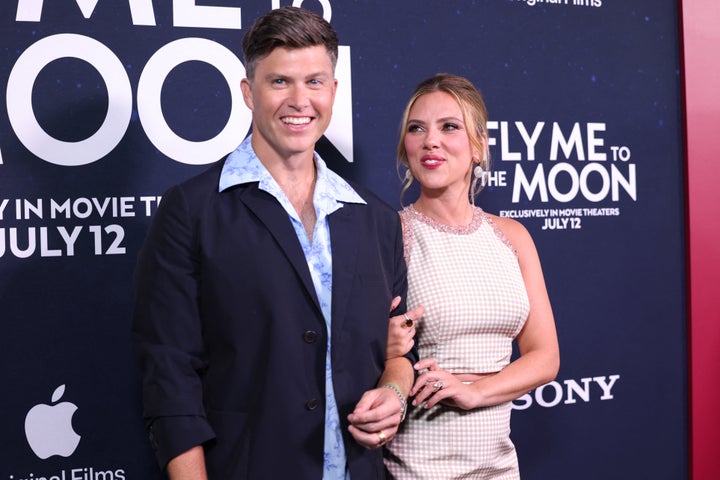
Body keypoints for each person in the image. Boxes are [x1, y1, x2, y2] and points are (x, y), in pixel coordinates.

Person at [131, 7, 418, 479]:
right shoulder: (191, 210)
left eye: (315, 82)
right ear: (249, 92)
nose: (300, 100)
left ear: (334, 91)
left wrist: (393, 393)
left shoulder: (377, 219)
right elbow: (168, 374)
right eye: (280, 81)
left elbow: (398, 352)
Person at [383, 73, 560, 479]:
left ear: (478, 146)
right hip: (416, 468)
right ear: (405, 148)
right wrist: (382, 343)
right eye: (417, 128)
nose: (431, 141)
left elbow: (545, 357)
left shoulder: (512, 236)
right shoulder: (391, 235)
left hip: (498, 468)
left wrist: (474, 391)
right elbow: (352, 352)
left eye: (449, 127)